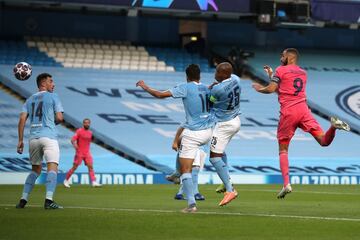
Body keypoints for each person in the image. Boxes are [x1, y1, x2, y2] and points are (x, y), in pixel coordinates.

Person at [252, 48, 350, 199]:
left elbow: (273, 88)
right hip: (303, 110)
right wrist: (271, 75)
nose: (280, 57)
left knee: (283, 149)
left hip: (289, 113)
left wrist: (260, 89)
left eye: (283, 55)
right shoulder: (303, 73)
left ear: (289, 57)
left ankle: (286, 184)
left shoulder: (281, 69)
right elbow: (285, 86)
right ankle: (333, 126)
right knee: (324, 141)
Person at [136, 64, 214, 213]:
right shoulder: (206, 88)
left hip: (194, 133)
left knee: (186, 170)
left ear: (187, 76)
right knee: (194, 165)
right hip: (208, 132)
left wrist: (145, 87)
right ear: (200, 76)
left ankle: (191, 203)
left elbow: (159, 95)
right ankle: (178, 175)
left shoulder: (184, 87)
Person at [16, 73, 64, 209]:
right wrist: (51, 124)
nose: (53, 84)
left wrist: (20, 140)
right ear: (43, 83)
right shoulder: (54, 96)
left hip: (33, 139)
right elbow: (60, 118)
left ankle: (23, 200)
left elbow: (21, 120)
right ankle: (49, 200)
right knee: (52, 168)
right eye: (51, 81)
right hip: (48, 137)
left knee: (35, 170)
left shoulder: (29, 100)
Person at [208, 62, 242, 206]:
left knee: (214, 158)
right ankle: (225, 181)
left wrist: (212, 89)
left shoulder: (217, 90)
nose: (215, 74)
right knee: (220, 152)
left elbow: (210, 101)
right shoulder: (236, 79)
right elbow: (224, 85)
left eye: (217, 72)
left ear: (223, 74)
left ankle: (230, 189)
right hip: (236, 119)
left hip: (224, 124)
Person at [63, 118, 101, 188]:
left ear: (89, 124)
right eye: (85, 123)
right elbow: (72, 140)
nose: (87, 124)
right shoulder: (79, 131)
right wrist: (75, 146)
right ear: (83, 124)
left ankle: (94, 182)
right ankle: (66, 180)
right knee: (75, 167)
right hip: (80, 152)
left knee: (90, 166)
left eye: (88, 123)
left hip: (87, 153)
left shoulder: (90, 133)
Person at [171, 127, 206, 201]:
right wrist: (176, 143)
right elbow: (182, 129)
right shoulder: (192, 122)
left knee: (190, 172)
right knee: (194, 170)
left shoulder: (207, 120)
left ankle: (179, 193)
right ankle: (195, 193)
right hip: (194, 146)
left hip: (201, 148)